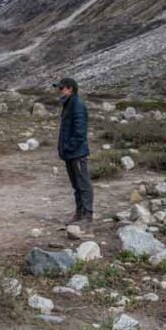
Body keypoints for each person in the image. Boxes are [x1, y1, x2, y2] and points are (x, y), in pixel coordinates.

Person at [55, 77, 92, 225]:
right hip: (70, 153)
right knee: (76, 185)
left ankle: (87, 215)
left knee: (83, 184)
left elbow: (80, 132)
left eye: (61, 88)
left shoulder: (77, 105)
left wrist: (68, 147)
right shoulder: (68, 104)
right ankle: (79, 212)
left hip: (77, 153)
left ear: (70, 89)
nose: (59, 91)